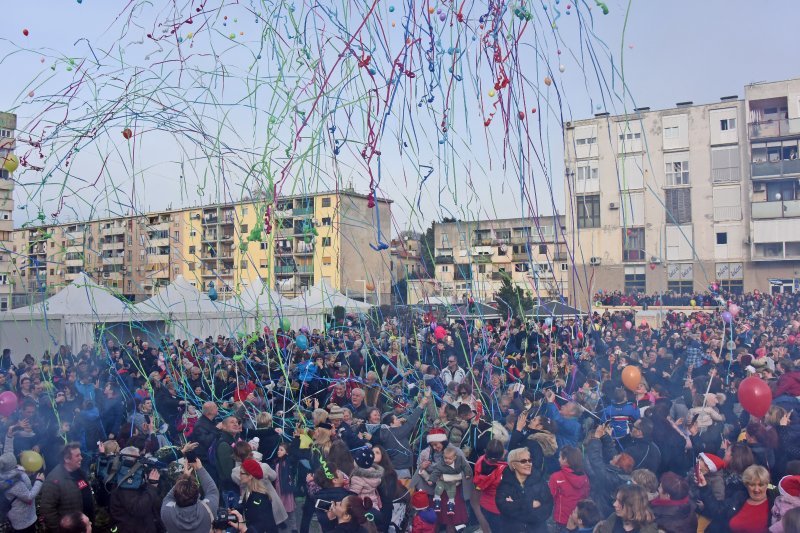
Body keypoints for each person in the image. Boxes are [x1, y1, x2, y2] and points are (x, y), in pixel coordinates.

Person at [699, 463, 774, 533]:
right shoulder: (739, 497)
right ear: (746, 485)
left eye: (760, 485)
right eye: (752, 485)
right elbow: (717, 509)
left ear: (767, 485)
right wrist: (704, 488)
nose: (756, 489)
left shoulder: (774, 504)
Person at [495, 447, 553, 533]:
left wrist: (515, 504)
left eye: (530, 460)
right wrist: (530, 504)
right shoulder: (505, 484)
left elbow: (548, 506)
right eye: (523, 461)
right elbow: (504, 507)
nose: (528, 464)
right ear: (513, 464)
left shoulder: (539, 480)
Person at [40, 443, 96, 531]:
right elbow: (47, 509)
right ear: (66, 459)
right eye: (77, 456)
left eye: (80, 454)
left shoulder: (79, 472)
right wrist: (57, 530)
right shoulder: (54, 480)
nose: (81, 458)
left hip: (86, 525)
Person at [108, 447, 163, 533]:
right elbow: (138, 508)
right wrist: (152, 486)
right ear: (129, 463)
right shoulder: (126, 482)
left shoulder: (130, 477)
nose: (140, 463)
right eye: (138, 460)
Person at [160, 458, 219, 533]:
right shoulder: (208, 509)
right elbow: (212, 490)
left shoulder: (167, 513)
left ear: (176, 496)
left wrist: (184, 478)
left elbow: (168, 498)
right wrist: (200, 469)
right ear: (198, 495)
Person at [0, 451, 45, 533]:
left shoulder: (7, 475)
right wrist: (39, 481)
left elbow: (23, 479)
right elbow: (29, 497)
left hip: (24, 515)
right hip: (23, 521)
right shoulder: (14, 483)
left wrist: (27, 471)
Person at [548, 445, 590, 530]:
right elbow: (586, 495)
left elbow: (549, 497)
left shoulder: (556, 477)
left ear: (565, 459)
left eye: (560, 457)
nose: (558, 459)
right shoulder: (584, 477)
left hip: (562, 520)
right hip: (579, 520)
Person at [472, 439, 507, 533]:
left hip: (485, 504)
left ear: (486, 451)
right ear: (502, 453)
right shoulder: (504, 469)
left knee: (489, 527)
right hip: (500, 507)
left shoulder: (480, 461)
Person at [427, 445, 472, 515]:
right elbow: (436, 471)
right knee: (438, 489)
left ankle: (451, 506)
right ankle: (437, 503)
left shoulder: (460, 460)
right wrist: (431, 480)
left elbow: (465, 467)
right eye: (445, 458)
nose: (447, 460)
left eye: (449, 459)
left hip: (452, 482)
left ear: (454, 458)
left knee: (452, 492)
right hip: (442, 481)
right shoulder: (442, 463)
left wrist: (467, 473)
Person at [237, 458, 278, 533]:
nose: (239, 475)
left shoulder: (261, 498)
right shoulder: (248, 491)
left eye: (241, 473)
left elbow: (263, 526)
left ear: (250, 476)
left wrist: (245, 530)